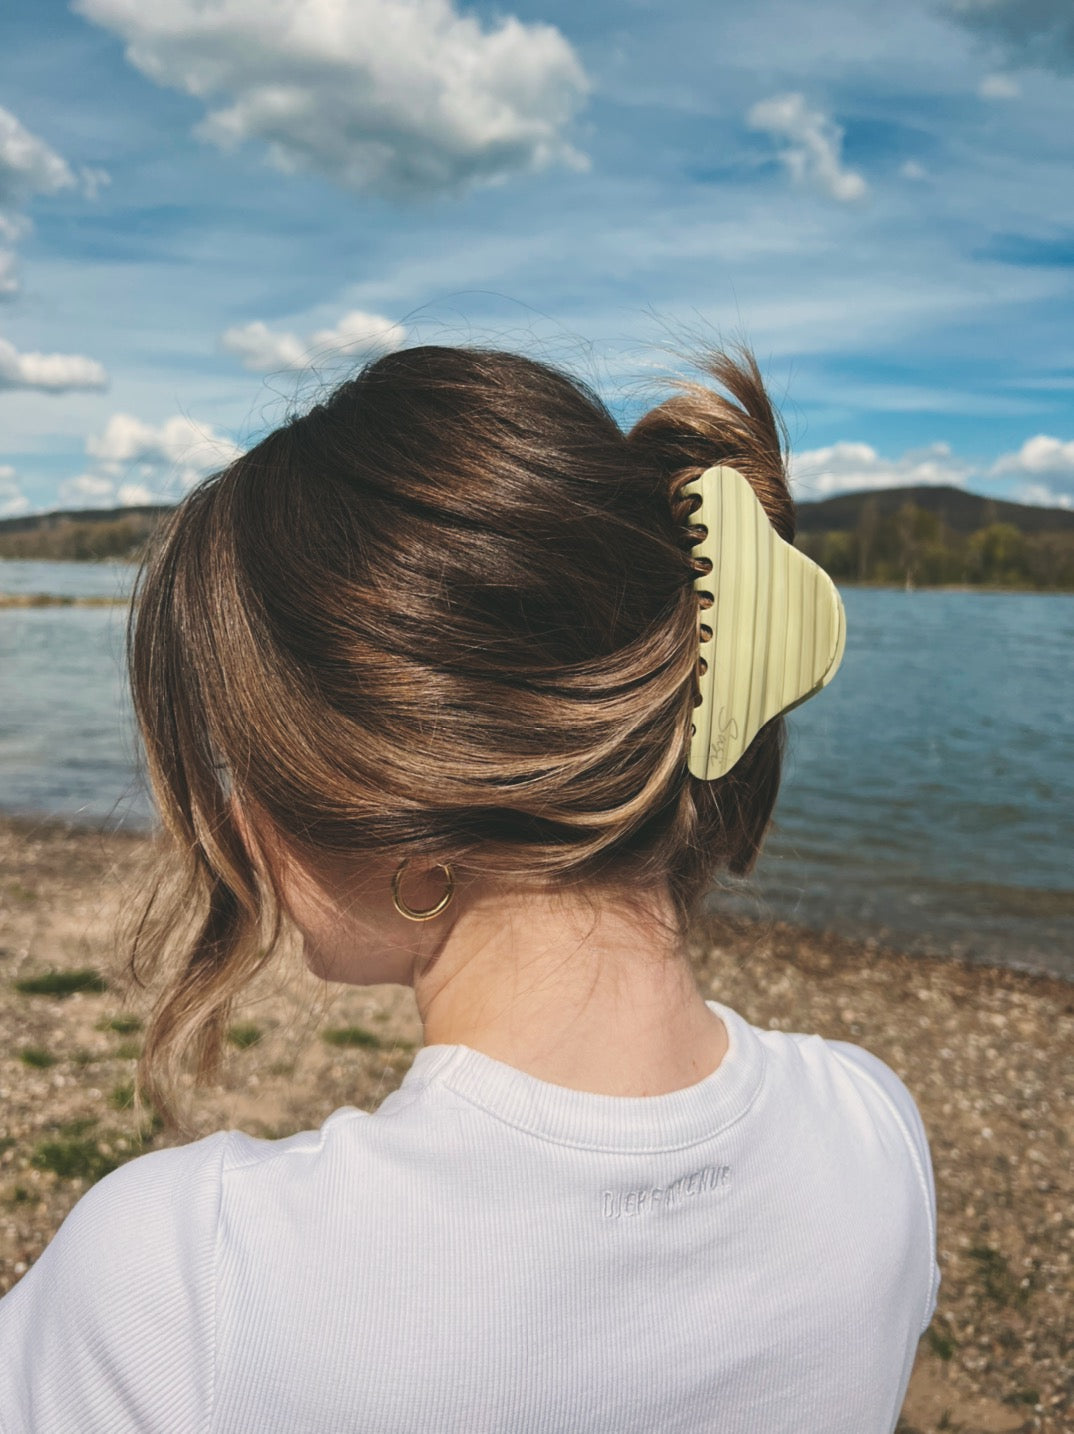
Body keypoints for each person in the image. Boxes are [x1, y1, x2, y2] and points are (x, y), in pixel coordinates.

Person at [0, 342, 939, 1433]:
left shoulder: (182, 1291)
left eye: (242, 759)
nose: (241, 822)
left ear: (407, 809)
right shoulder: (875, 1136)